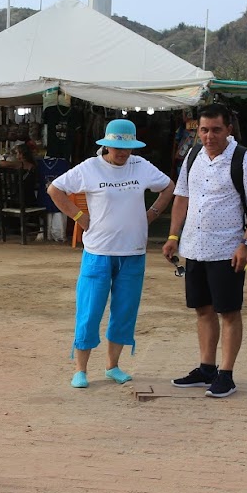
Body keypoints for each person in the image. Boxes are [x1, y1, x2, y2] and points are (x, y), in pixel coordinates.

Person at [47, 119, 175, 387]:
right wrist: (80, 217)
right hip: (98, 251)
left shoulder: (140, 166)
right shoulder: (90, 167)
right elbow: (55, 189)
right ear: (106, 145)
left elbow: (168, 186)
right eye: (117, 148)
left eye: (127, 148)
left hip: (133, 251)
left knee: (125, 310)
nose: (122, 153)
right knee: (90, 310)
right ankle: (80, 369)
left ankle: (112, 365)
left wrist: (152, 213)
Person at [162, 102, 247, 398]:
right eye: (204, 130)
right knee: (203, 310)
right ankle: (206, 367)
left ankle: (226, 373)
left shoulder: (244, 160)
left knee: (229, 312)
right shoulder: (193, 155)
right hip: (194, 248)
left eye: (216, 130)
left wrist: (245, 245)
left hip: (227, 250)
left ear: (229, 129)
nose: (209, 136)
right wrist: (173, 235)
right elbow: (181, 197)